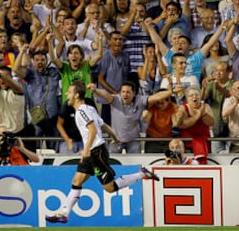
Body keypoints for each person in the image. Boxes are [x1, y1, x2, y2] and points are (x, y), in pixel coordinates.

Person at [45, 80, 159, 224]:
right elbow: (103, 125)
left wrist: (86, 151)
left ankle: (142, 173)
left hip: (96, 153)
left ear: (77, 95)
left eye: (69, 92)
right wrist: (115, 137)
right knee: (76, 181)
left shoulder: (81, 111)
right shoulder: (89, 108)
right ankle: (64, 213)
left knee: (109, 188)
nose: (66, 94)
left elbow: (93, 129)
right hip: (92, 152)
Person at [88, 81, 173, 154]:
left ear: (134, 93)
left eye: (128, 92)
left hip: (133, 141)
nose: (125, 94)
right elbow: (105, 95)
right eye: (123, 92)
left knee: (136, 166)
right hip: (116, 140)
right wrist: (95, 90)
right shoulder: (116, 100)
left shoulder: (140, 100)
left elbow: (156, 97)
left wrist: (171, 91)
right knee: (113, 166)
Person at [174, 86, 214, 164]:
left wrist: (203, 114)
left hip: (204, 143)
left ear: (200, 97)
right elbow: (183, 125)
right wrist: (197, 115)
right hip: (188, 145)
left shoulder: (205, 107)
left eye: (197, 95)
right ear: (187, 98)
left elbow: (211, 122)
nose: (194, 97)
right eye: (191, 95)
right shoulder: (183, 108)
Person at [142, 89, 178, 153]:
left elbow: (175, 123)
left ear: (168, 101)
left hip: (168, 139)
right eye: (158, 103)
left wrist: (178, 118)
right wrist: (144, 116)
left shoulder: (172, 107)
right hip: (152, 139)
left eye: (162, 103)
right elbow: (146, 120)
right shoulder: (152, 105)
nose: (159, 105)